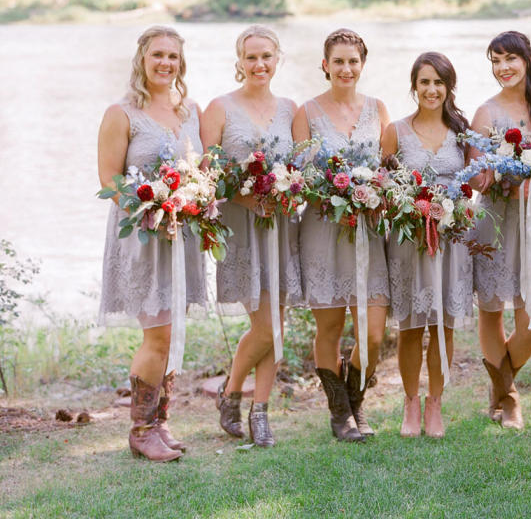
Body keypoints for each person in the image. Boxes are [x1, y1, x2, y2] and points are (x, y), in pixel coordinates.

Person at [97, 26, 206, 462]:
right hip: (143, 236)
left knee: (172, 331)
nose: (165, 63)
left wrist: (190, 199)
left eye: (173, 57)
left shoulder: (190, 111)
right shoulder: (121, 113)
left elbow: (200, 169)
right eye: (158, 54)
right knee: (157, 334)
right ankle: (140, 429)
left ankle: (159, 423)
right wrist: (153, 207)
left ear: (181, 63)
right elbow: (109, 180)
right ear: (142, 58)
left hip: (182, 236)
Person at [200, 25, 302, 447]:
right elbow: (207, 173)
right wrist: (247, 199)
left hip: (280, 224)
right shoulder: (219, 107)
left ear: (278, 59)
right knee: (264, 325)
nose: (259, 65)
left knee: (277, 322)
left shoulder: (290, 108)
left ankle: (260, 412)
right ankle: (231, 391)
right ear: (239, 62)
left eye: (267, 56)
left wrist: (287, 190)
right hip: (241, 226)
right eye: (251, 57)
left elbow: (301, 169)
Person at [292, 28, 391, 442]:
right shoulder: (307, 112)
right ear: (325, 65)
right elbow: (300, 174)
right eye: (339, 61)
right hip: (323, 228)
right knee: (330, 326)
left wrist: (376, 190)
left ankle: (356, 400)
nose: (346, 68)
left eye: (353, 61)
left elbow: (388, 168)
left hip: (368, 229)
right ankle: (341, 414)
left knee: (372, 330)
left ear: (362, 65)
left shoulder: (378, 109)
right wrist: (334, 190)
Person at [471, 30, 531, 431]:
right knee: (491, 310)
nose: (503, 67)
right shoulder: (485, 113)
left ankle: (498, 387)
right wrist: (504, 174)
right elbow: (475, 176)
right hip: (496, 217)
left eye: (510, 58)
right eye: (495, 60)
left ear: (527, 60)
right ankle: (509, 400)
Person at [382, 52, 474, 439]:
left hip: (451, 241)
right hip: (409, 241)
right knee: (409, 326)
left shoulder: (462, 132)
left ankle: (435, 403)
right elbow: (384, 186)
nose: (432, 90)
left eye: (439, 82)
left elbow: (471, 186)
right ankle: (410, 403)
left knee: (443, 326)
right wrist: (407, 207)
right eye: (425, 82)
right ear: (414, 86)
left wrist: (457, 209)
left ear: (449, 87)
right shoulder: (396, 131)